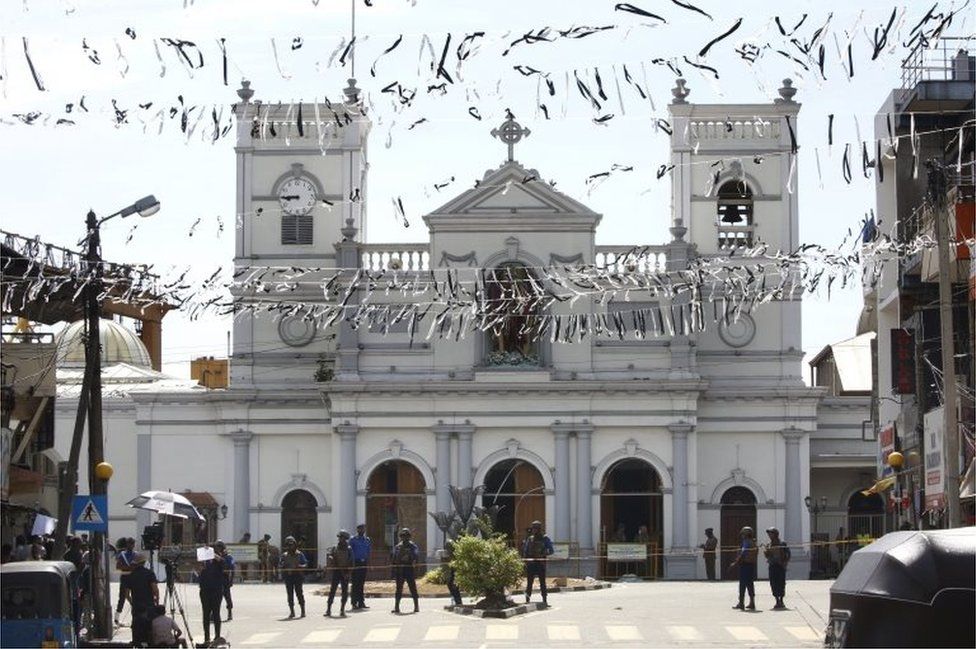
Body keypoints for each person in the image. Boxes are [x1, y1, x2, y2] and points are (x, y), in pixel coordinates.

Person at [127, 553, 159, 645]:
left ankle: (137, 644)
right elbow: (155, 589)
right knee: (149, 627)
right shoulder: (149, 573)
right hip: (148, 605)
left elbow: (126, 593)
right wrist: (156, 600)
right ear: (144, 562)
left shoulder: (131, 575)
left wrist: (131, 602)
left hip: (136, 605)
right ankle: (149, 644)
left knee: (136, 626)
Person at [522, 520, 554, 607]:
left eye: (536, 528)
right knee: (529, 583)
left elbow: (551, 551)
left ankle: (544, 600)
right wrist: (526, 561)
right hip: (531, 563)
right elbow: (525, 550)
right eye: (533, 528)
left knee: (542, 583)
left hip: (540, 564)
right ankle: (527, 600)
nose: (534, 530)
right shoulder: (530, 538)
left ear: (539, 529)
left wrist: (543, 554)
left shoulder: (545, 539)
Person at [198, 545, 225, 645]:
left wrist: (212, 554)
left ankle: (217, 636)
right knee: (205, 614)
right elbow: (200, 574)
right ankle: (207, 637)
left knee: (216, 613)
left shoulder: (217, 562)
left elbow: (223, 562)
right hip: (204, 591)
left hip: (216, 591)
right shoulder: (203, 562)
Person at [325, 530, 355, 617]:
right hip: (337, 571)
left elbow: (352, 562)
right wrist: (331, 558)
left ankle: (342, 609)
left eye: (342, 538)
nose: (340, 539)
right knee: (332, 591)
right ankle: (328, 609)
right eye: (339, 537)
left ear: (345, 539)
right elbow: (330, 555)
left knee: (344, 592)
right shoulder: (335, 548)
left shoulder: (349, 549)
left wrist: (348, 573)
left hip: (345, 572)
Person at [390, 528, 420, 614]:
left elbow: (416, 556)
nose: (405, 538)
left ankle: (416, 606)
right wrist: (394, 570)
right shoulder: (397, 547)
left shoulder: (413, 546)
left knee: (412, 588)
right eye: (403, 536)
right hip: (400, 570)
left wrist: (410, 557)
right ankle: (396, 607)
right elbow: (393, 558)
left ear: (409, 537)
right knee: (398, 589)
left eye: (406, 536)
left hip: (409, 568)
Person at [729, 526, 758, 611]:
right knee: (750, 584)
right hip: (751, 565)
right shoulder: (753, 542)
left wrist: (735, 563)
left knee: (742, 585)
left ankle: (741, 603)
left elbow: (743, 553)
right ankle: (752, 602)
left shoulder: (746, 542)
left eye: (743, 534)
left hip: (745, 565)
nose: (742, 535)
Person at [280, 536, 308, 619]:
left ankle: (303, 611)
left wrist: (300, 566)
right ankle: (292, 611)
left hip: (297, 575)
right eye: (288, 545)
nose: (290, 546)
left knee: (299, 594)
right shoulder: (284, 555)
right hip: (288, 576)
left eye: (292, 545)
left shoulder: (299, 554)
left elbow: (305, 564)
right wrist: (284, 566)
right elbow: (280, 564)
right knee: (290, 595)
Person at [764, 527, 791, 610]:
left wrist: (785, 562)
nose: (769, 535)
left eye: (771, 533)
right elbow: (767, 556)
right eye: (769, 534)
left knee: (781, 583)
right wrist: (767, 552)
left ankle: (781, 600)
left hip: (780, 566)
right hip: (772, 566)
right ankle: (777, 600)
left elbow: (788, 553)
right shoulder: (769, 545)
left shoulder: (782, 543)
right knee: (773, 583)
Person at [349, 524, 372, 610]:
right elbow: (350, 552)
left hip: (364, 563)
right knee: (355, 584)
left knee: (361, 584)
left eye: (364, 529)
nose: (363, 530)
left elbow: (368, 552)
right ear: (357, 530)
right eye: (361, 529)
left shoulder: (367, 540)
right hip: (356, 563)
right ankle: (354, 602)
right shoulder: (353, 540)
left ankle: (361, 602)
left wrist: (369, 563)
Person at [114, 537, 136, 625]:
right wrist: (128, 568)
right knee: (122, 597)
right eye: (129, 543)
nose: (131, 545)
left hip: (134, 577)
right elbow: (118, 566)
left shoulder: (136, 555)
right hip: (125, 576)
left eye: (132, 543)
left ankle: (135, 617)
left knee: (135, 596)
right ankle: (117, 618)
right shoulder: (122, 555)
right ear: (127, 544)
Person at [214, 540, 235, 621]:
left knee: (227, 597)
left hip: (225, 579)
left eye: (218, 547)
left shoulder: (228, 557)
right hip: (217, 579)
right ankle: (214, 614)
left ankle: (229, 612)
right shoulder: (216, 556)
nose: (217, 548)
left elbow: (232, 569)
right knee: (216, 598)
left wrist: (231, 580)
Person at [442, 539, 462, 606]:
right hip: (449, 574)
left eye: (450, 547)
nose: (448, 549)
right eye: (447, 547)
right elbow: (444, 566)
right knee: (450, 587)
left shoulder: (456, 554)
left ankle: (458, 602)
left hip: (455, 573)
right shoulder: (445, 555)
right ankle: (455, 602)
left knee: (455, 588)